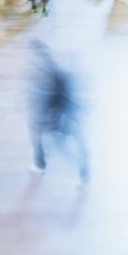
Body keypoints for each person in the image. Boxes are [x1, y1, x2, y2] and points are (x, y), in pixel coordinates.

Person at [30, 44, 87, 184]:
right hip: (67, 118)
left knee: (56, 143)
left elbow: (48, 102)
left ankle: (40, 162)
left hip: (58, 121)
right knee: (70, 142)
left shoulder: (53, 82)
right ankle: (83, 166)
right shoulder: (63, 77)